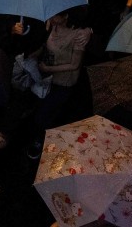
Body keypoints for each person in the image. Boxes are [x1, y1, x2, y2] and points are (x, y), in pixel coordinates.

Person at [26, 8, 92, 159]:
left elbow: (75, 65)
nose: (51, 17)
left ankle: (42, 142)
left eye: (55, 15)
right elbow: (45, 45)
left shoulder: (78, 36)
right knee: (45, 110)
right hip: (48, 79)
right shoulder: (52, 26)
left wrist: (49, 68)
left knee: (45, 114)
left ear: (66, 17)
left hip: (64, 83)